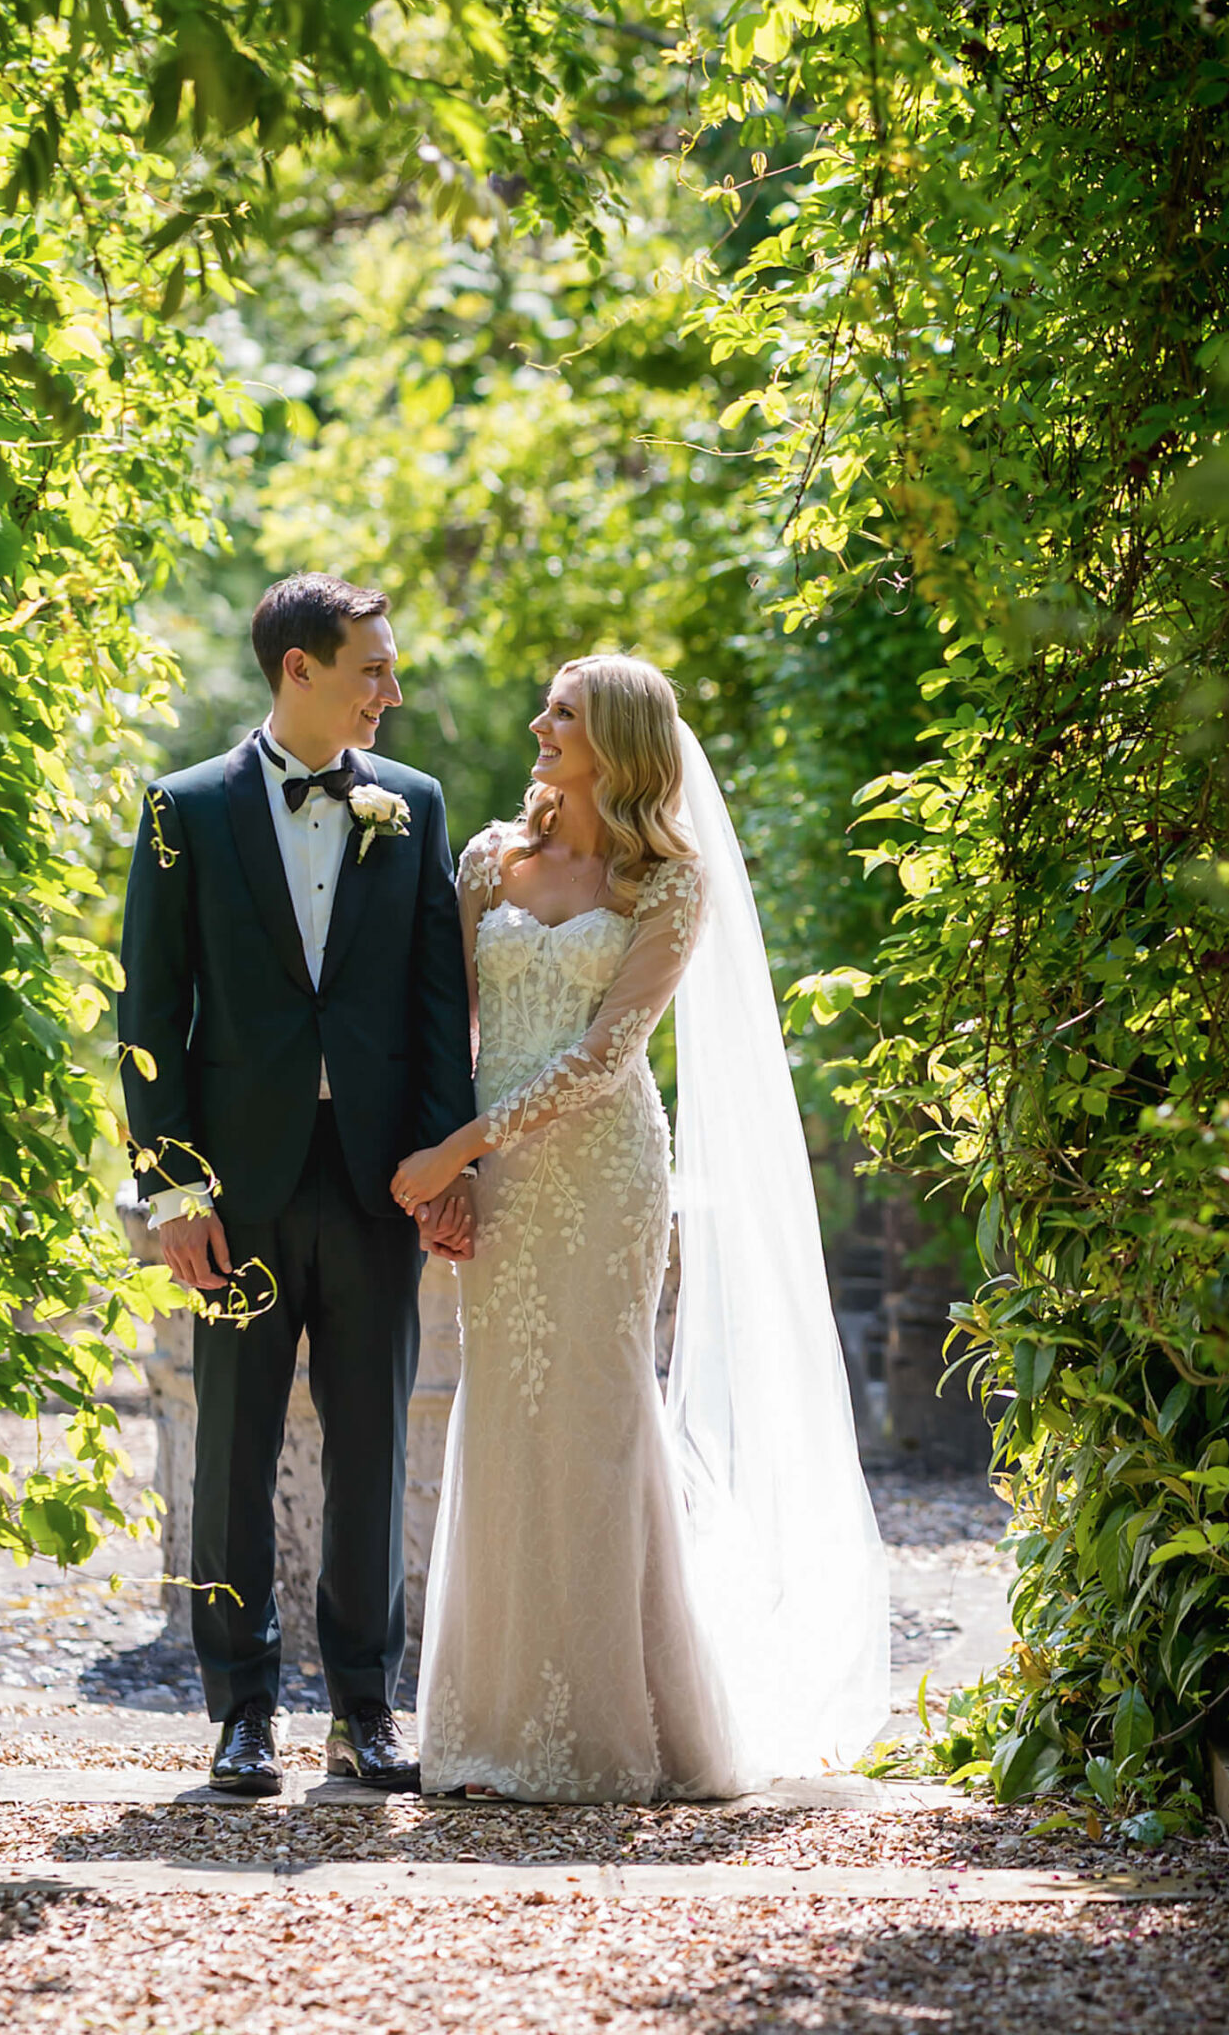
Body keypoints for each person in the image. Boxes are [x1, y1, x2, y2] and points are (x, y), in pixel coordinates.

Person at [395, 654, 889, 1800]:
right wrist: (453, 1169)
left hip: (605, 1168)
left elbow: (609, 1052)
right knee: (506, 1410)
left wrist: (457, 1149)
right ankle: (490, 1726)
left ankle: (618, 1726)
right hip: (497, 1180)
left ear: (614, 736)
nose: (538, 723)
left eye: (561, 712)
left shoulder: (668, 881)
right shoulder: (487, 859)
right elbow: (445, 1027)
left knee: (600, 1411)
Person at [118, 573, 477, 1798]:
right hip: (240, 1185)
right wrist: (174, 1191)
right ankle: (242, 1712)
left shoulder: (414, 807)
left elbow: (440, 1008)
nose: (391, 688)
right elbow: (150, 1014)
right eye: (371, 667)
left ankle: (368, 1708)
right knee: (233, 1443)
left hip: (379, 1178)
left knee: (373, 1440)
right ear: (298, 672)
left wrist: (445, 1168)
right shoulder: (186, 808)